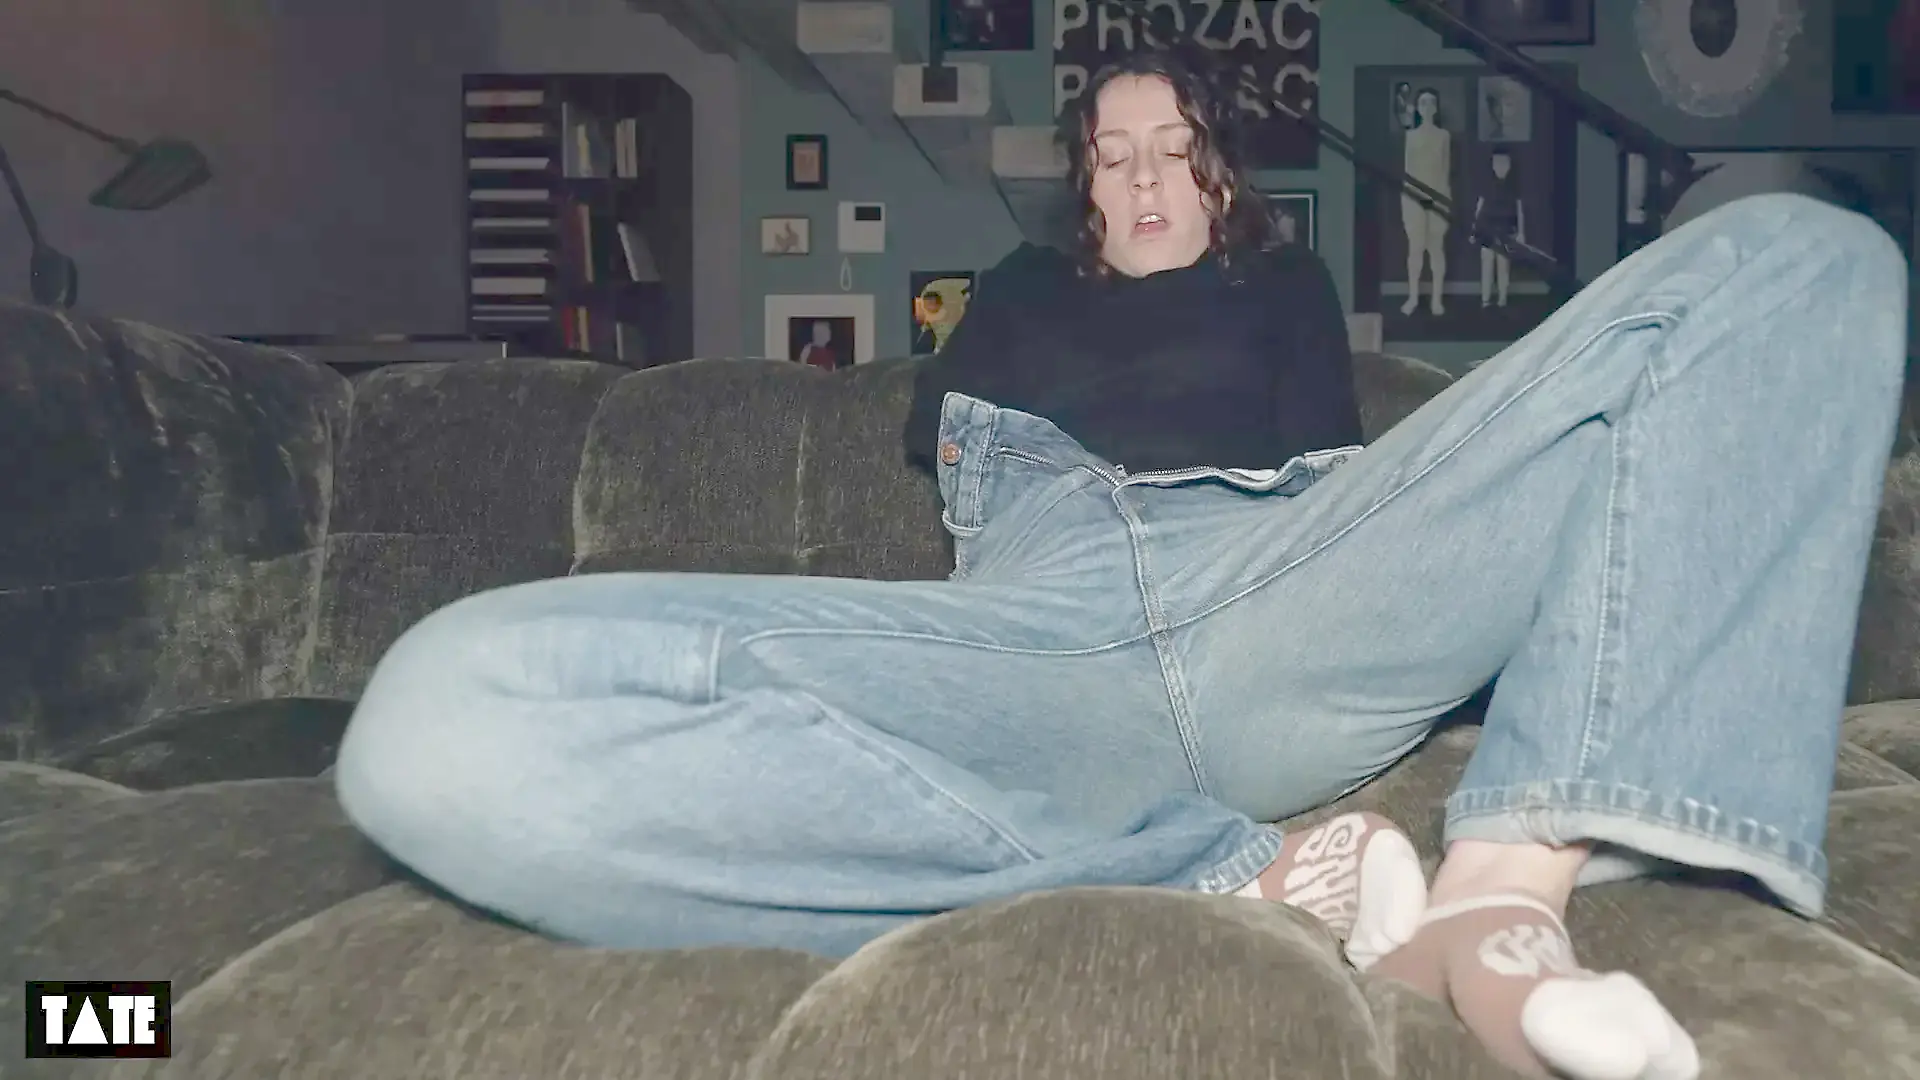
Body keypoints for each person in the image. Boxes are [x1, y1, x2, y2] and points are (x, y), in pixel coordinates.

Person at [332, 44, 1908, 1080]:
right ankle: (1230, 869)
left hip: (1285, 580)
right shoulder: (1016, 294)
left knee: (1806, 256)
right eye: (1110, 156)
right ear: (1081, 186)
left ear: (1218, 173)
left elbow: (1357, 486)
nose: (1144, 180)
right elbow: (961, 476)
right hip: (1046, 634)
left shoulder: (1285, 292)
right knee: (445, 714)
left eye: (1174, 149)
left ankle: (1500, 900)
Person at [1401, 87, 1452, 317]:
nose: (1427, 107)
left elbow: (1445, 170)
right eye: (1423, 102)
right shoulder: (1411, 136)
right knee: (1415, 248)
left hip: (1438, 196)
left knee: (1436, 247)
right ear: (1418, 108)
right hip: (1414, 197)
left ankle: (1436, 299)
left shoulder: (1444, 136)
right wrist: (1407, 200)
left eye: (1431, 102)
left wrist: (1444, 200)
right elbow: (1407, 170)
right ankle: (1413, 297)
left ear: (1436, 107)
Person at [1474, 149, 1524, 307]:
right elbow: (1479, 206)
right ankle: (1485, 298)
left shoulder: (1514, 186)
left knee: (1503, 267)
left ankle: (1502, 298)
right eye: (1497, 163)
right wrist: (1475, 228)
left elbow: (1520, 209)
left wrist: (1521, 232)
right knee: (1487, 266)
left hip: (1506, 229)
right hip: (1487, 229)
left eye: (1504, 163)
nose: (1501, 167)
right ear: (1492, 165)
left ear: (1509, 165)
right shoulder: (1486, 184)